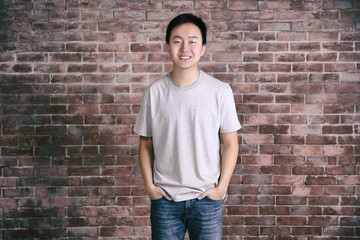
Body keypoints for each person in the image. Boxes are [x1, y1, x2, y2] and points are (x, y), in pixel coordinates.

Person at [134, 13, 241, 240]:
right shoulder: (153, 93)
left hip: (207, 201)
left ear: (202, 48)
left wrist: (221, 189)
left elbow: (231, 143)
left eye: (192, 41)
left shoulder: (220, 91)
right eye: (177, 41)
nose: (185, 48)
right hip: (166, 202)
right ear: (168, 46)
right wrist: (151, 189)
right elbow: (145, 144)